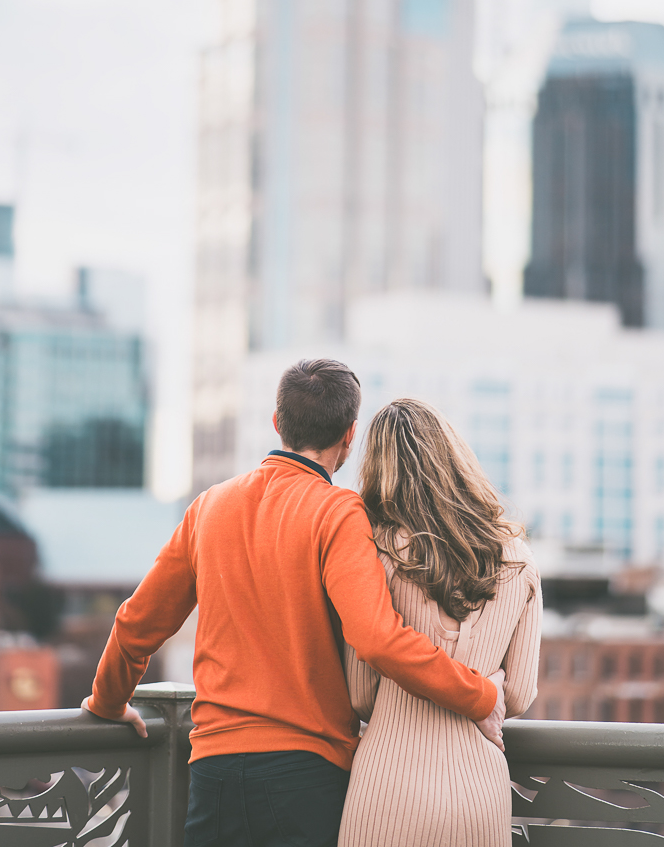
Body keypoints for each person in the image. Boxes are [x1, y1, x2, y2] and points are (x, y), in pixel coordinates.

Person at [81, 360, 505, 847]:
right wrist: (480, 697)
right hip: (304, 776)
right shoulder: (338, 511)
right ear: (349, 436)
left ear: (278, 421)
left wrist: (109, 702)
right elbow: (377, 639)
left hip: (214, 771)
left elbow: (136, 623)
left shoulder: (209, 506)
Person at [339, 399, 542, 847]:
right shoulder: (519, 559)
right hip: (479, 794)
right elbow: (520, 695)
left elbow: (360, 695)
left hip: (386, 787)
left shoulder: (377, 554)